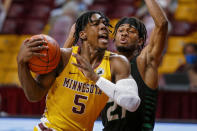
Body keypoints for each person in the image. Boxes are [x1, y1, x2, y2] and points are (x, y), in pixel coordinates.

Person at [17, 11, 140, 131]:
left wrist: (95, 78)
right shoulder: (63, 57)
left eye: (105, 25)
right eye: (96, 24)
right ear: (82, 34)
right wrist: (21, 64)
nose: (103, 27)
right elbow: (34, 96)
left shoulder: (117, 63)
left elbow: (132, 103)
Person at [101, 0, 168, 130]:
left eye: (131, 31)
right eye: (120, 30)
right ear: (114, 40)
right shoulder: (105, 66)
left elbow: (162, 24)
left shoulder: (144, 62)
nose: (124, 33)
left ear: (140, 41)